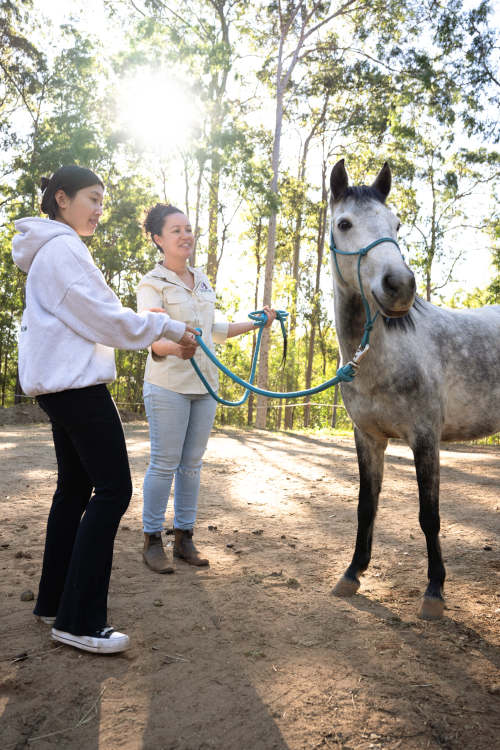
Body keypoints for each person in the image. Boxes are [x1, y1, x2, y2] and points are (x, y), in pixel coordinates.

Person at [12, 166, 199, 655]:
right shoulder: (62, 249)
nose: (98, 209)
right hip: (76, 385)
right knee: (113, 488)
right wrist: (172, 330)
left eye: (101, 200)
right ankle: (79, 619)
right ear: (61, 198)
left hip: (61, 383)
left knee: (74, 487)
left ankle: (55, 601)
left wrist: (152, 325)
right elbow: (101, 318)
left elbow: (94, 316)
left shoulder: (53, 251)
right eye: (92, 198)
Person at [137, 203, 277, 572]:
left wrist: (255, 324)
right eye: (176, 231)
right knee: (164, 463)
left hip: (205, 386)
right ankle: (152, 539)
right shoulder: (152, 283)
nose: (186, 236)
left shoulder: (201, 280)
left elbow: (213, 329)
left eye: (188, 229)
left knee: (192, 466)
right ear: (158, 239)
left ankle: (185, 537)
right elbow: (154, 340)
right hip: (168, 385)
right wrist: (177, 347)